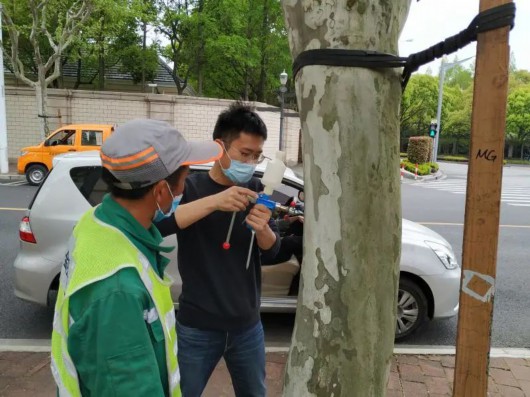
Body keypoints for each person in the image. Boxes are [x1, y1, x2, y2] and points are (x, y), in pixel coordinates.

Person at [50, 119, 222, 397]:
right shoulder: (118, 290)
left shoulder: (94, 221)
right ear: (161, 191)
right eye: (185, 174)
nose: (186, 184)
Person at [156, 103, 280, 397]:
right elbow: (160, 226)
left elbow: (273, 252)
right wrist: (215, 202)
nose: (250, 163)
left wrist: (263, 229)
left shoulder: (259, 190)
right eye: (243, 153)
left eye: (256, 155)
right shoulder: (191, 188)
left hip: (247, 327)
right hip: (197, 327)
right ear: (220, 148)